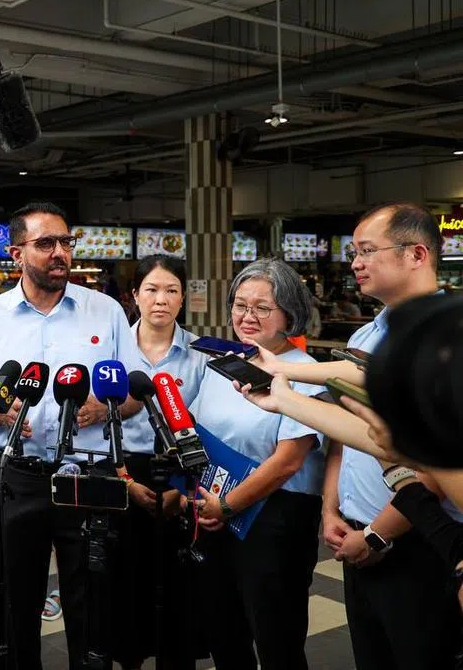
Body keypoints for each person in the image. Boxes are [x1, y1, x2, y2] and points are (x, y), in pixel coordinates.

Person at [248, 202, 461, 669]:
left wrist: (379, 537)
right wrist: (332, 507)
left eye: (368, 250)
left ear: (417, 255)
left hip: (421, 540)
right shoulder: (368, 336)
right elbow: (364, 433)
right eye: (353, 252)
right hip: (357, 532)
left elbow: (426, 463)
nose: (356, 263)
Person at [0, 202, 140, 670]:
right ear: (17, 252)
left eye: (66, 243)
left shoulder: (106, 312)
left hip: (89, 476)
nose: (60, 253)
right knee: (17, 601)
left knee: (91, 602)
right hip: (17, 477)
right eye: (46, 244)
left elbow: (140, 391)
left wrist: (109, 405)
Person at [189, 259, 327, 670]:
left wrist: (228, 505)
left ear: (289, 312)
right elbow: (200, 429)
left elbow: (287, 461)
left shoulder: (305, 373)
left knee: (276, 638)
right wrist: (204, 499)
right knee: (223, 632)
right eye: (239, 305)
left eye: (262, 308)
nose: (247, 316)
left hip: (275, 518)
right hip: (215, 508)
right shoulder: (226, 360)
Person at [110, 255, 208, 670]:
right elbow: (98, 425)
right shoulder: (113, 351)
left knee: (177, 588)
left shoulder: (199, 357)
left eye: (171, 290)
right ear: (134, 296)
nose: (160, 300)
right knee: (125, 583)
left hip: (179, 476)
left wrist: (182, 493)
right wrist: (125, 481)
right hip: (123, 473)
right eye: (151, 289)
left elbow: (206, 428)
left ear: (183, 298)